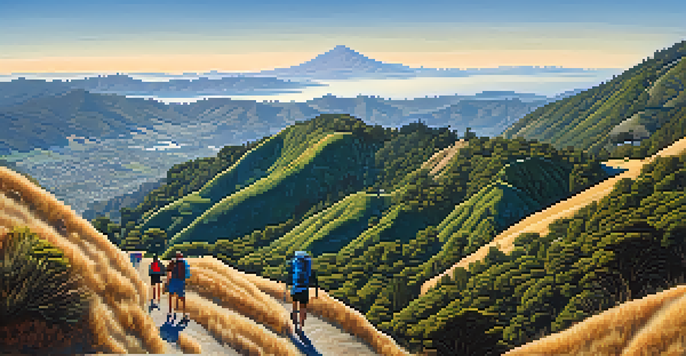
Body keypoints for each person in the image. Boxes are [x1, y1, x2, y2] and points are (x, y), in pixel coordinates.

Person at [284, 251, 318, 332]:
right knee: (303, 308)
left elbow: (289, 273)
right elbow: (313, 278)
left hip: (295, 288)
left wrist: (286, 287)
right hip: (304, 289)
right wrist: (316, 292)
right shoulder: (307, 265)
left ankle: (295, 323)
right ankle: (301, 326)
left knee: (295, 305)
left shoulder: (294, 262)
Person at [166, 251, 191, 316]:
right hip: (181, 281)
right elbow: (187, 273)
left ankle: (170, 311)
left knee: (171, 295)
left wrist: (168, 282)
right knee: (182, 297)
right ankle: (184, 313)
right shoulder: (184, 262)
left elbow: (169, 273)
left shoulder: (172, 262)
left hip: (173, 281)